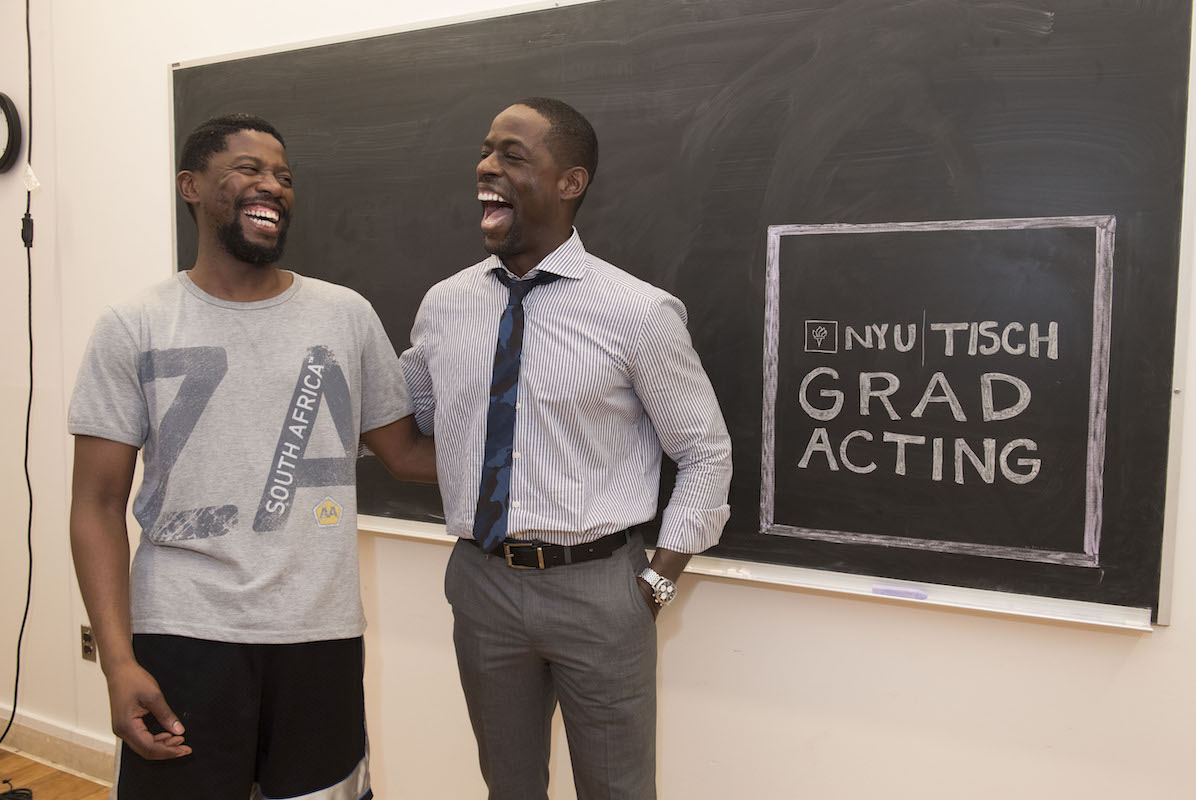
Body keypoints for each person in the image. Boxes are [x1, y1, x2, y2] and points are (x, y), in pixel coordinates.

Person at [68, 113, 433, 800]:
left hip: (318, 636)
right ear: (191, 186)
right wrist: (117, 662)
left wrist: (536, 439)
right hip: (181, 635)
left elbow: (409, 454)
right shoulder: (134, 324)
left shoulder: (344, 316)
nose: (273, 185)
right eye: (249, 169)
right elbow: (96, 503)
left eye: (285, 176)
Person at [401, 97, 733, 800]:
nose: (487, 167)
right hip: (481, 582)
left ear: (569, 182)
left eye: (512, 155)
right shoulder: (444, 305)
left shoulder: (638, 312)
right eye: (486, 152)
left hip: (600, 589)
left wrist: (658, 581)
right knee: (508, 788)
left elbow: (704, 453)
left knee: (617, 789)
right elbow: (416, 421)